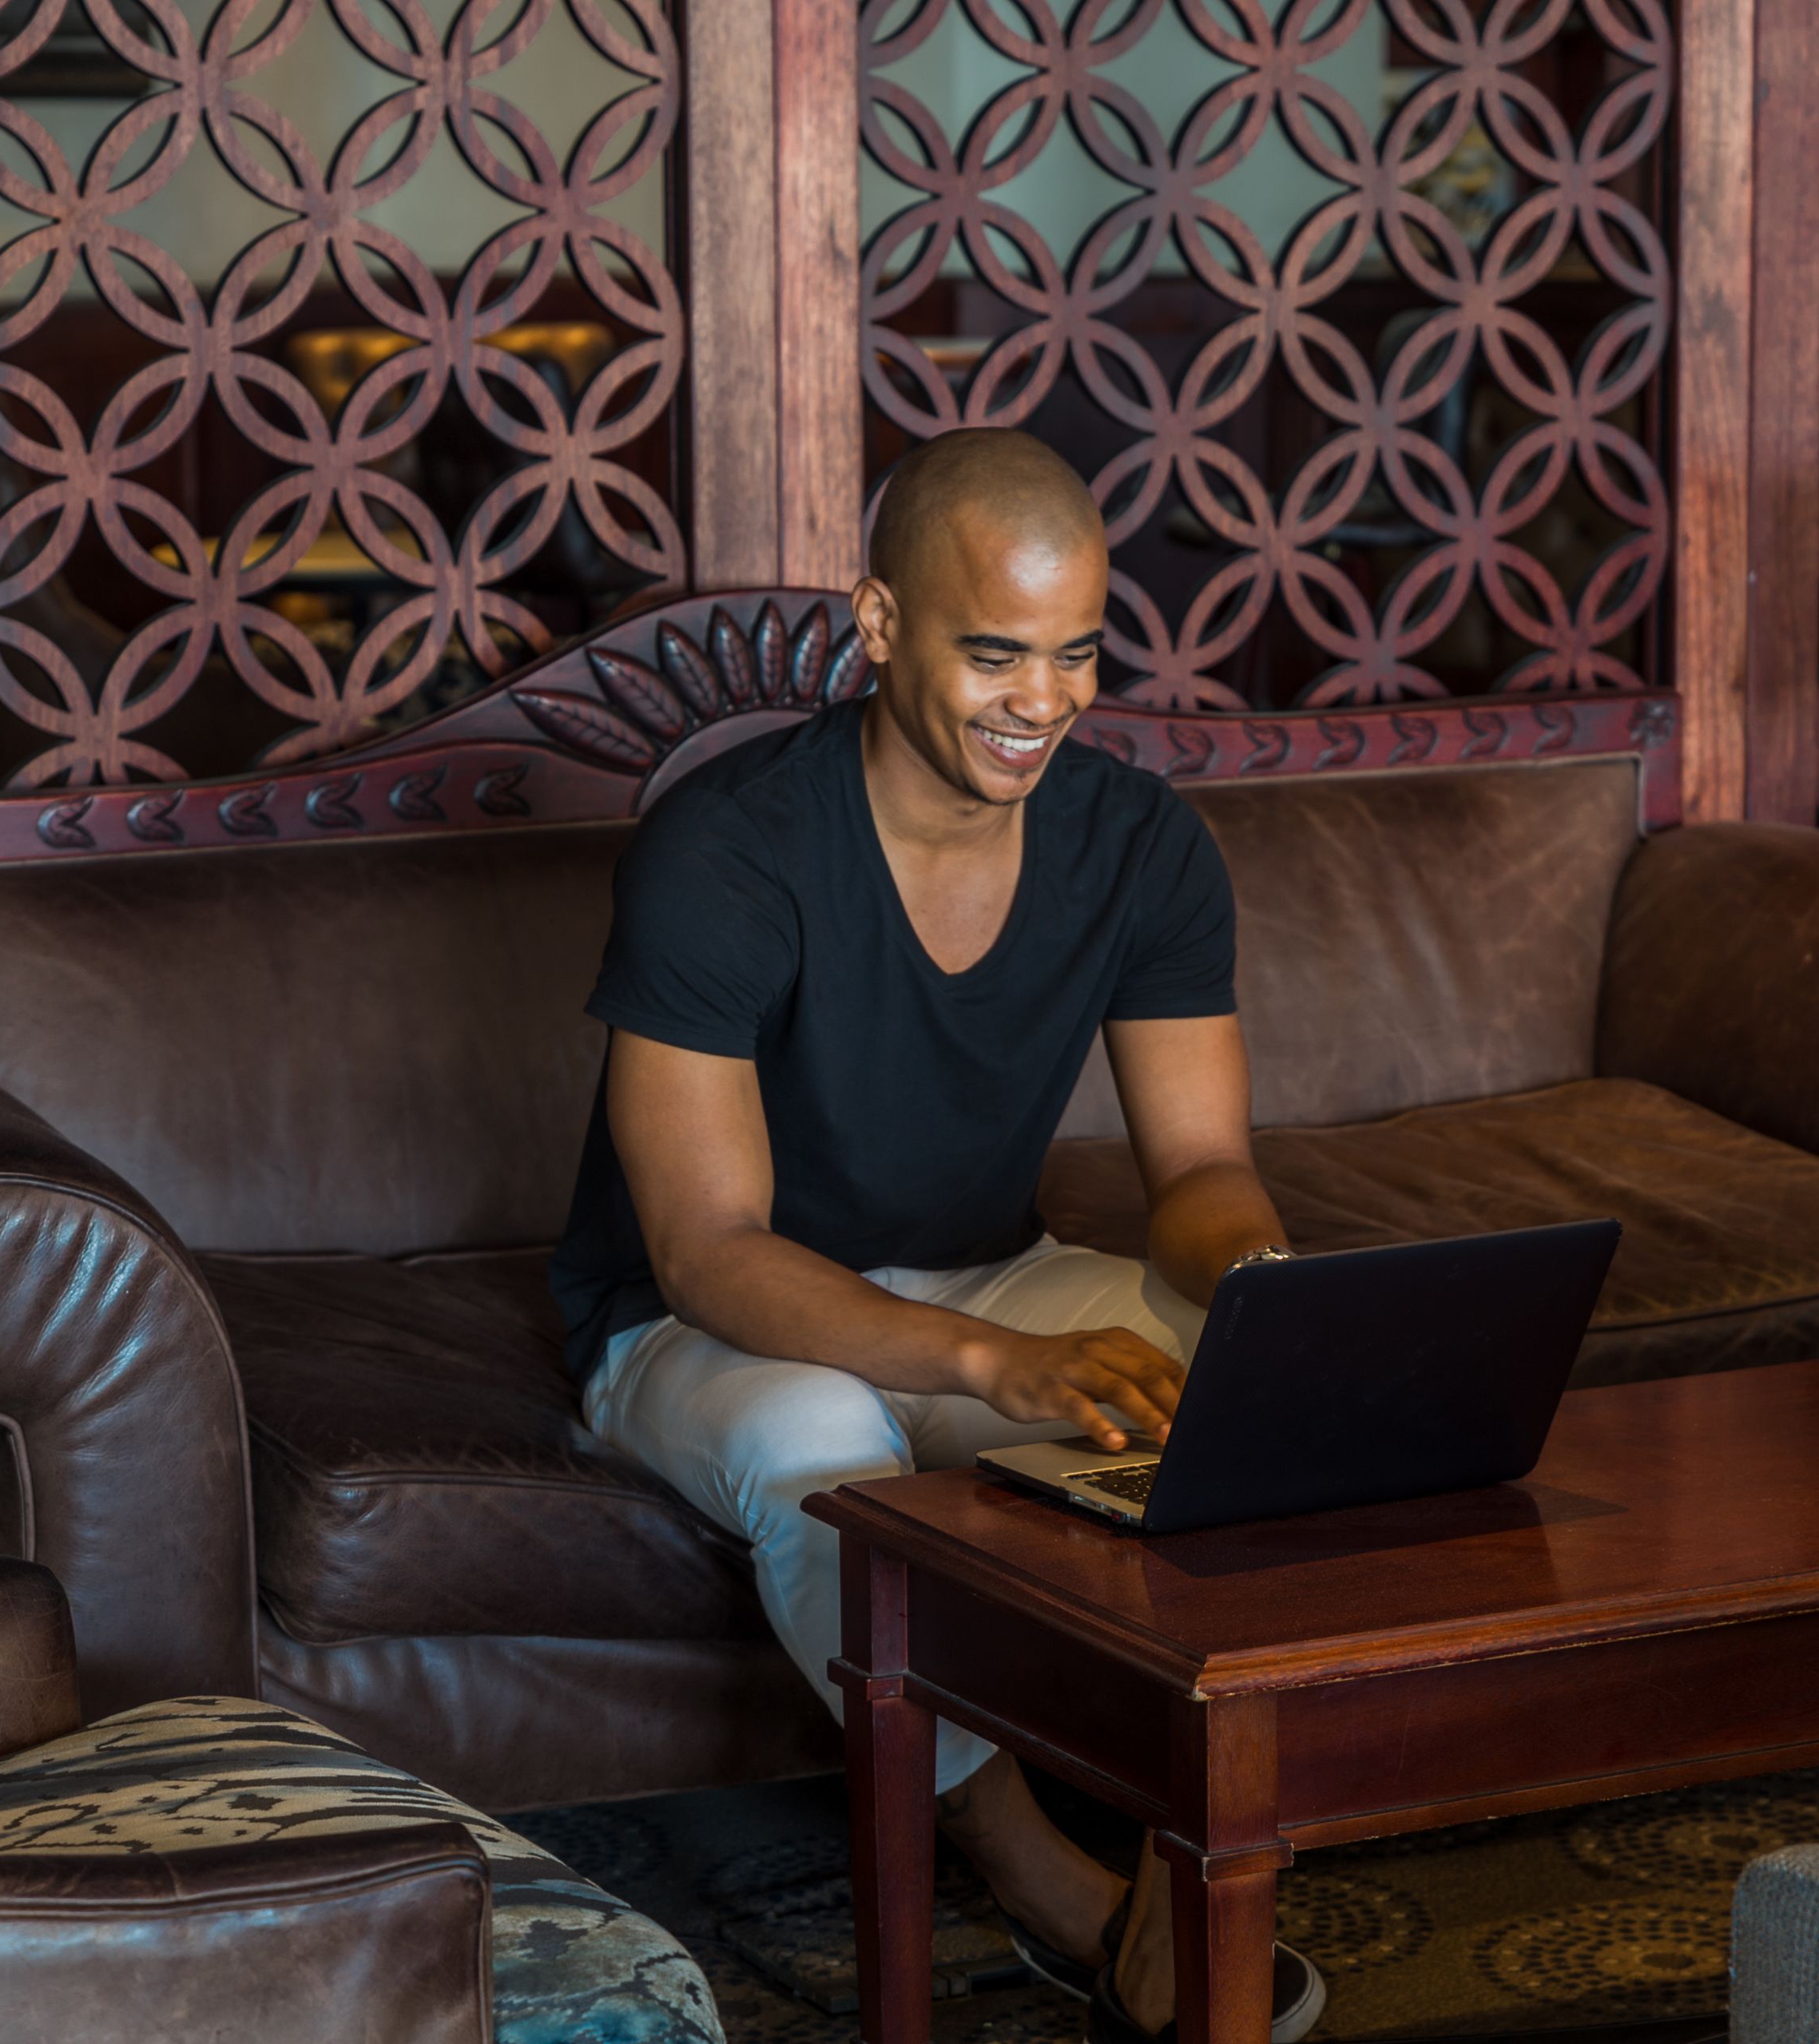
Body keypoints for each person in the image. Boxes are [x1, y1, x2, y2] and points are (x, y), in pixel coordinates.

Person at [548, 428, 1316, 2042]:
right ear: (883, 625)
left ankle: (1215, 1845)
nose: (1040, 699)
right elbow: (707, 1249)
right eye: (993, 651)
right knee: (830, 1435)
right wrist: (999, 1361)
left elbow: (1198, 1167)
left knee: (1261, 1386)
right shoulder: (729, 851)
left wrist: (1262, 1296)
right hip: (695, 1328)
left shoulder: (1138, 841)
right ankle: (1042, 1876)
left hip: (982, 1267)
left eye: (1076, 652)